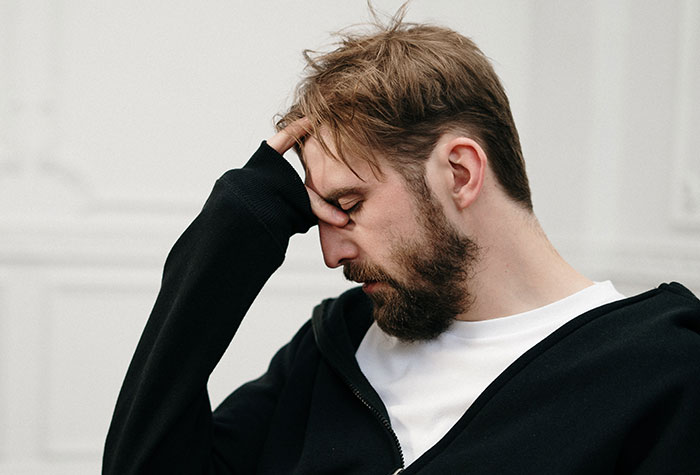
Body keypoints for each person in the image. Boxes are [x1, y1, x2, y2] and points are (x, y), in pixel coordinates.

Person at [103, 12, 700, 475]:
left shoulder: (661, 374)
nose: (332, 255)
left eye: (349, 206)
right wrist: (232, 232)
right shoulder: (334, 349)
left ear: (460, 173)